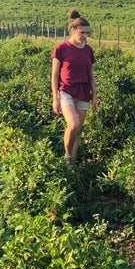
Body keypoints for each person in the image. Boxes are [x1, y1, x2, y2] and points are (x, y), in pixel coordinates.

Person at [51, 9, 98, 164]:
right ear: (73, 30)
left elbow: (91, 74)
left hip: (84, 92)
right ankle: (67, 155)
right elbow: (55, 75)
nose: (85, 36)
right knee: (73, 124)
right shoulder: (61, 48)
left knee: (78, 130)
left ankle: (72, 165)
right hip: (66, 91)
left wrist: (95, 97)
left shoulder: (88, 50)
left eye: (87, 33)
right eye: (82, 33)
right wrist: (55, 98)